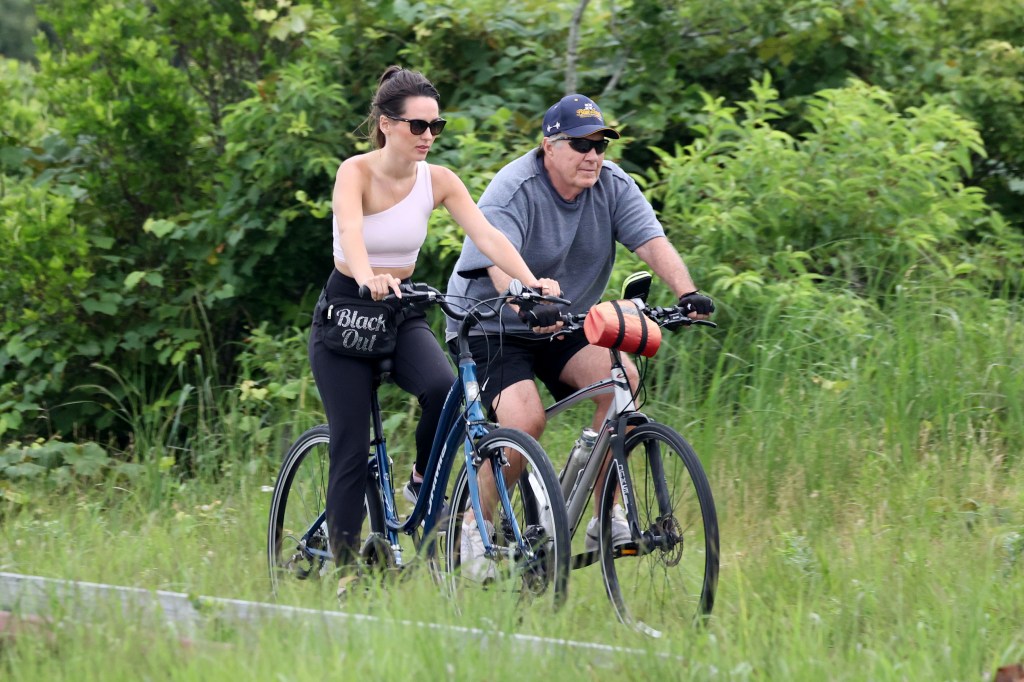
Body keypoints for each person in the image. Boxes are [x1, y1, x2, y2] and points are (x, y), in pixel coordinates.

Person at [309, 66, 559, 595]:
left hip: (400, 307)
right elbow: (352, 235)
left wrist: (529, 282)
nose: (427, 136)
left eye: (435, 126)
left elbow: (488, 236)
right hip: (348, 309)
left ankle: (422, 479)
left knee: (445, 390)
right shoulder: (354, 172)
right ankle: (348, 570)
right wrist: (367, 274)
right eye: (417, 126)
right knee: (352, 446)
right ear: (386, 124)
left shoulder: (440, 180)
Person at [444, 93, 714, 577]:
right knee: (524, 420)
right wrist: (524, 298)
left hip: (563, 320)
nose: (593, 155)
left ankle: (604, 518)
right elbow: (497, 263)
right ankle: (471, 530)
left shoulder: (611, 184)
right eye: (581, 144)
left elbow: (651, 240)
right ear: (549, 146)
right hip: (489, 323)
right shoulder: (515, 188)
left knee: (623, 386)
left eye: (601, 145)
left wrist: (688, 292)